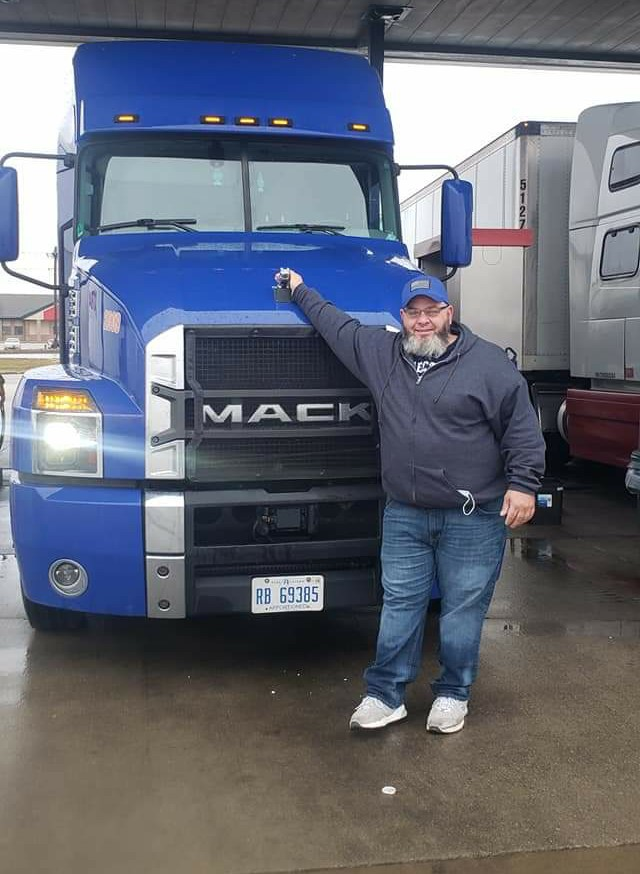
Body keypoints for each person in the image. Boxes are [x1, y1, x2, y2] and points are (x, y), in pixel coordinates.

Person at [277, 268, 546, 734]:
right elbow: (335, 325)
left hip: (473, 516)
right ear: (402, 317)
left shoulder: (487, 364)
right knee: (400, 603)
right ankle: (386, 695)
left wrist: (523, 485)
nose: (423, 321)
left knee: (463, 609)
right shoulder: (381, 353)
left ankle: (452, 694)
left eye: (432, 312)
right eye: (414, 313)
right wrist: (301, 290)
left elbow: (521, 427)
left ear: (449, 313)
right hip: (405, 512)